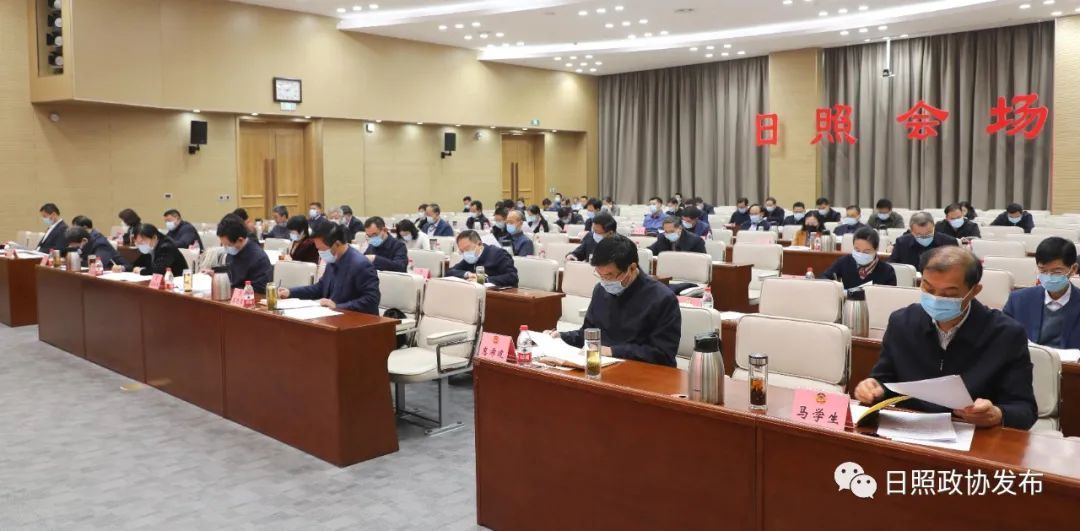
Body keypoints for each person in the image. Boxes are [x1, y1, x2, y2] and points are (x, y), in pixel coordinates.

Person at [854, 246, 1036, 430]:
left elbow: (1025, 409)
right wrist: (873, 388)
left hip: (973, 434)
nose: (936, 299)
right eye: (928, 288)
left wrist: (997, 414)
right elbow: (884, 381)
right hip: (909, 429)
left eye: (949, 294)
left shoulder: (1006, 334)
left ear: (974, 291)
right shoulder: (902, 322)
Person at [550, 236, 681, 367]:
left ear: (631, 268)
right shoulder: (601, 290)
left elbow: (663, 354)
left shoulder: (662, 298)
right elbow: (589, 333)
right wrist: (562, 337)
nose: (604, 281)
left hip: (641, 371)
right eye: (600, 275)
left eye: (609, 275)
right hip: (602, 366)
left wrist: (612, 351)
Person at [278, 223, 381, 314]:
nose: (320, 253)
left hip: (357, 320)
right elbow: (320, 287)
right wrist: (290, 292)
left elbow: (372, 299)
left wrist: (338, 306)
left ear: (337, 244)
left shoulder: (361, 264)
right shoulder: (333, 259)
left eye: (322, 249)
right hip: (334, 316)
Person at [1003, 237, 1080, 349]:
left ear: (1073, 269)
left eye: (1057, 272)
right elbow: (1002, 337)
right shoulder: (1018, 300)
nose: (1049, 277)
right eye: (1043, 271)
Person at [821, 228, 896, 300]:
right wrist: (837, 287)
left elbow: (890, 297)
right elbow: (824, 278)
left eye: (866, 251)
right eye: (857, 250)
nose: (861, 254)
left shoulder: (887, 271)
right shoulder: (844, 261)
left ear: (876, 249)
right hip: (848, 304)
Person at [215, 214, 272, 293]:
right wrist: (216, 275)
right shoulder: (233, 252)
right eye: (223, 245)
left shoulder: (259, 259)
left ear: (240, 240)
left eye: (228, 245)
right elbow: (230, 277)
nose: (226, 248)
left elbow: (259, 292)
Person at [447, 230, 518, 287]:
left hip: (499, 295)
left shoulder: (498, 253)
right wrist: (468, 274)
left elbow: (512, 277)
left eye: (467, 249)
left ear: (479, 244)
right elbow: (450, 272)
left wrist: (483, 279)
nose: (465, 253)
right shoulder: (469, 258)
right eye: (462, 251)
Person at [888, 212, 958, 271]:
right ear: (912, 231)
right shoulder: (902, 243)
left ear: (933, 227)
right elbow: (893, 266)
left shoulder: (949, 242)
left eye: (928, 233)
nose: (924, 237)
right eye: (919, 234)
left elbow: (956, 268)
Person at [116, 223, 188, 276]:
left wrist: (141, 271)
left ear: (154, 238)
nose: (141, 245)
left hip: (176, 282)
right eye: (138, 243)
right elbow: (137, 264)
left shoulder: (167, 247)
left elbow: (158, 270)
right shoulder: (150, 247)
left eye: (142, 241)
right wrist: (123, 268)